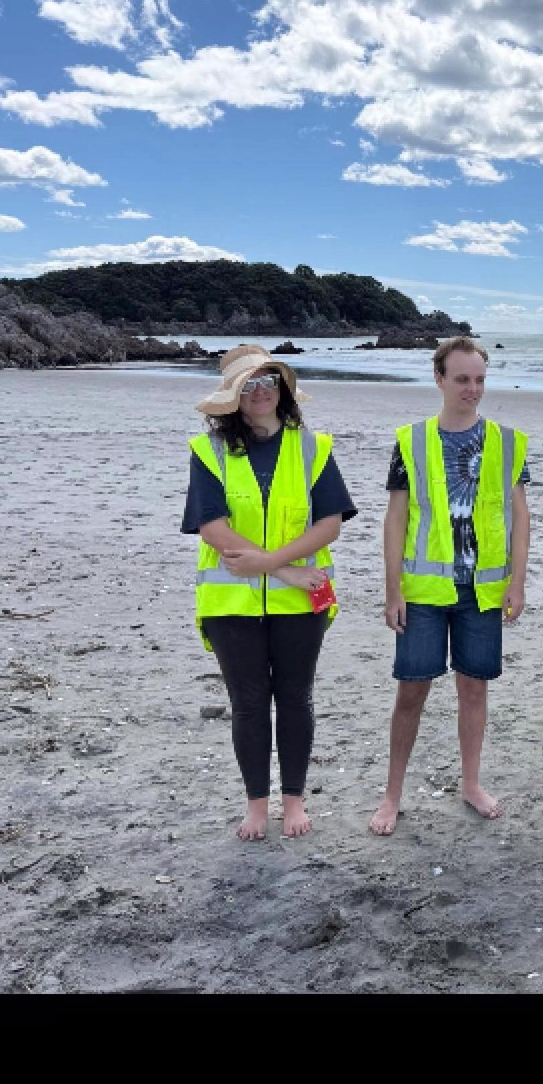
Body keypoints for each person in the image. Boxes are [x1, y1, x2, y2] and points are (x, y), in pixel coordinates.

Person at [182, 344, 355, 841]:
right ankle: (257, 805)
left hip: (302, 605)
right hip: (231, 604)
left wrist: (270, 565)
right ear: (233, 397)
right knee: (250, 704)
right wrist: (284, 571)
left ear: (283, 390)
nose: (260, 392)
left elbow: (330, 525)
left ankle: (294, 802)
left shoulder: (313, 447)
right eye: (248, 385)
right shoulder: (208, 451)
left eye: (269, 382)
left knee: (295, 698)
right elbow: (211, 528)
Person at [369, 336, 531, 833]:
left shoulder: (508, 442)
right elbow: (395, 519)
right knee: (411, 694)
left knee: (473, 690)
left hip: (481, 591)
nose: (472, 389)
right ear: (439, 379)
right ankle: (392, 794)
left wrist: (517, 582)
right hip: (421, 593)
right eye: (462, 379)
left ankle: (471, 783)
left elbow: (520, 517)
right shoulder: (411, 441)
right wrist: (392, 589)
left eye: (480, 380)